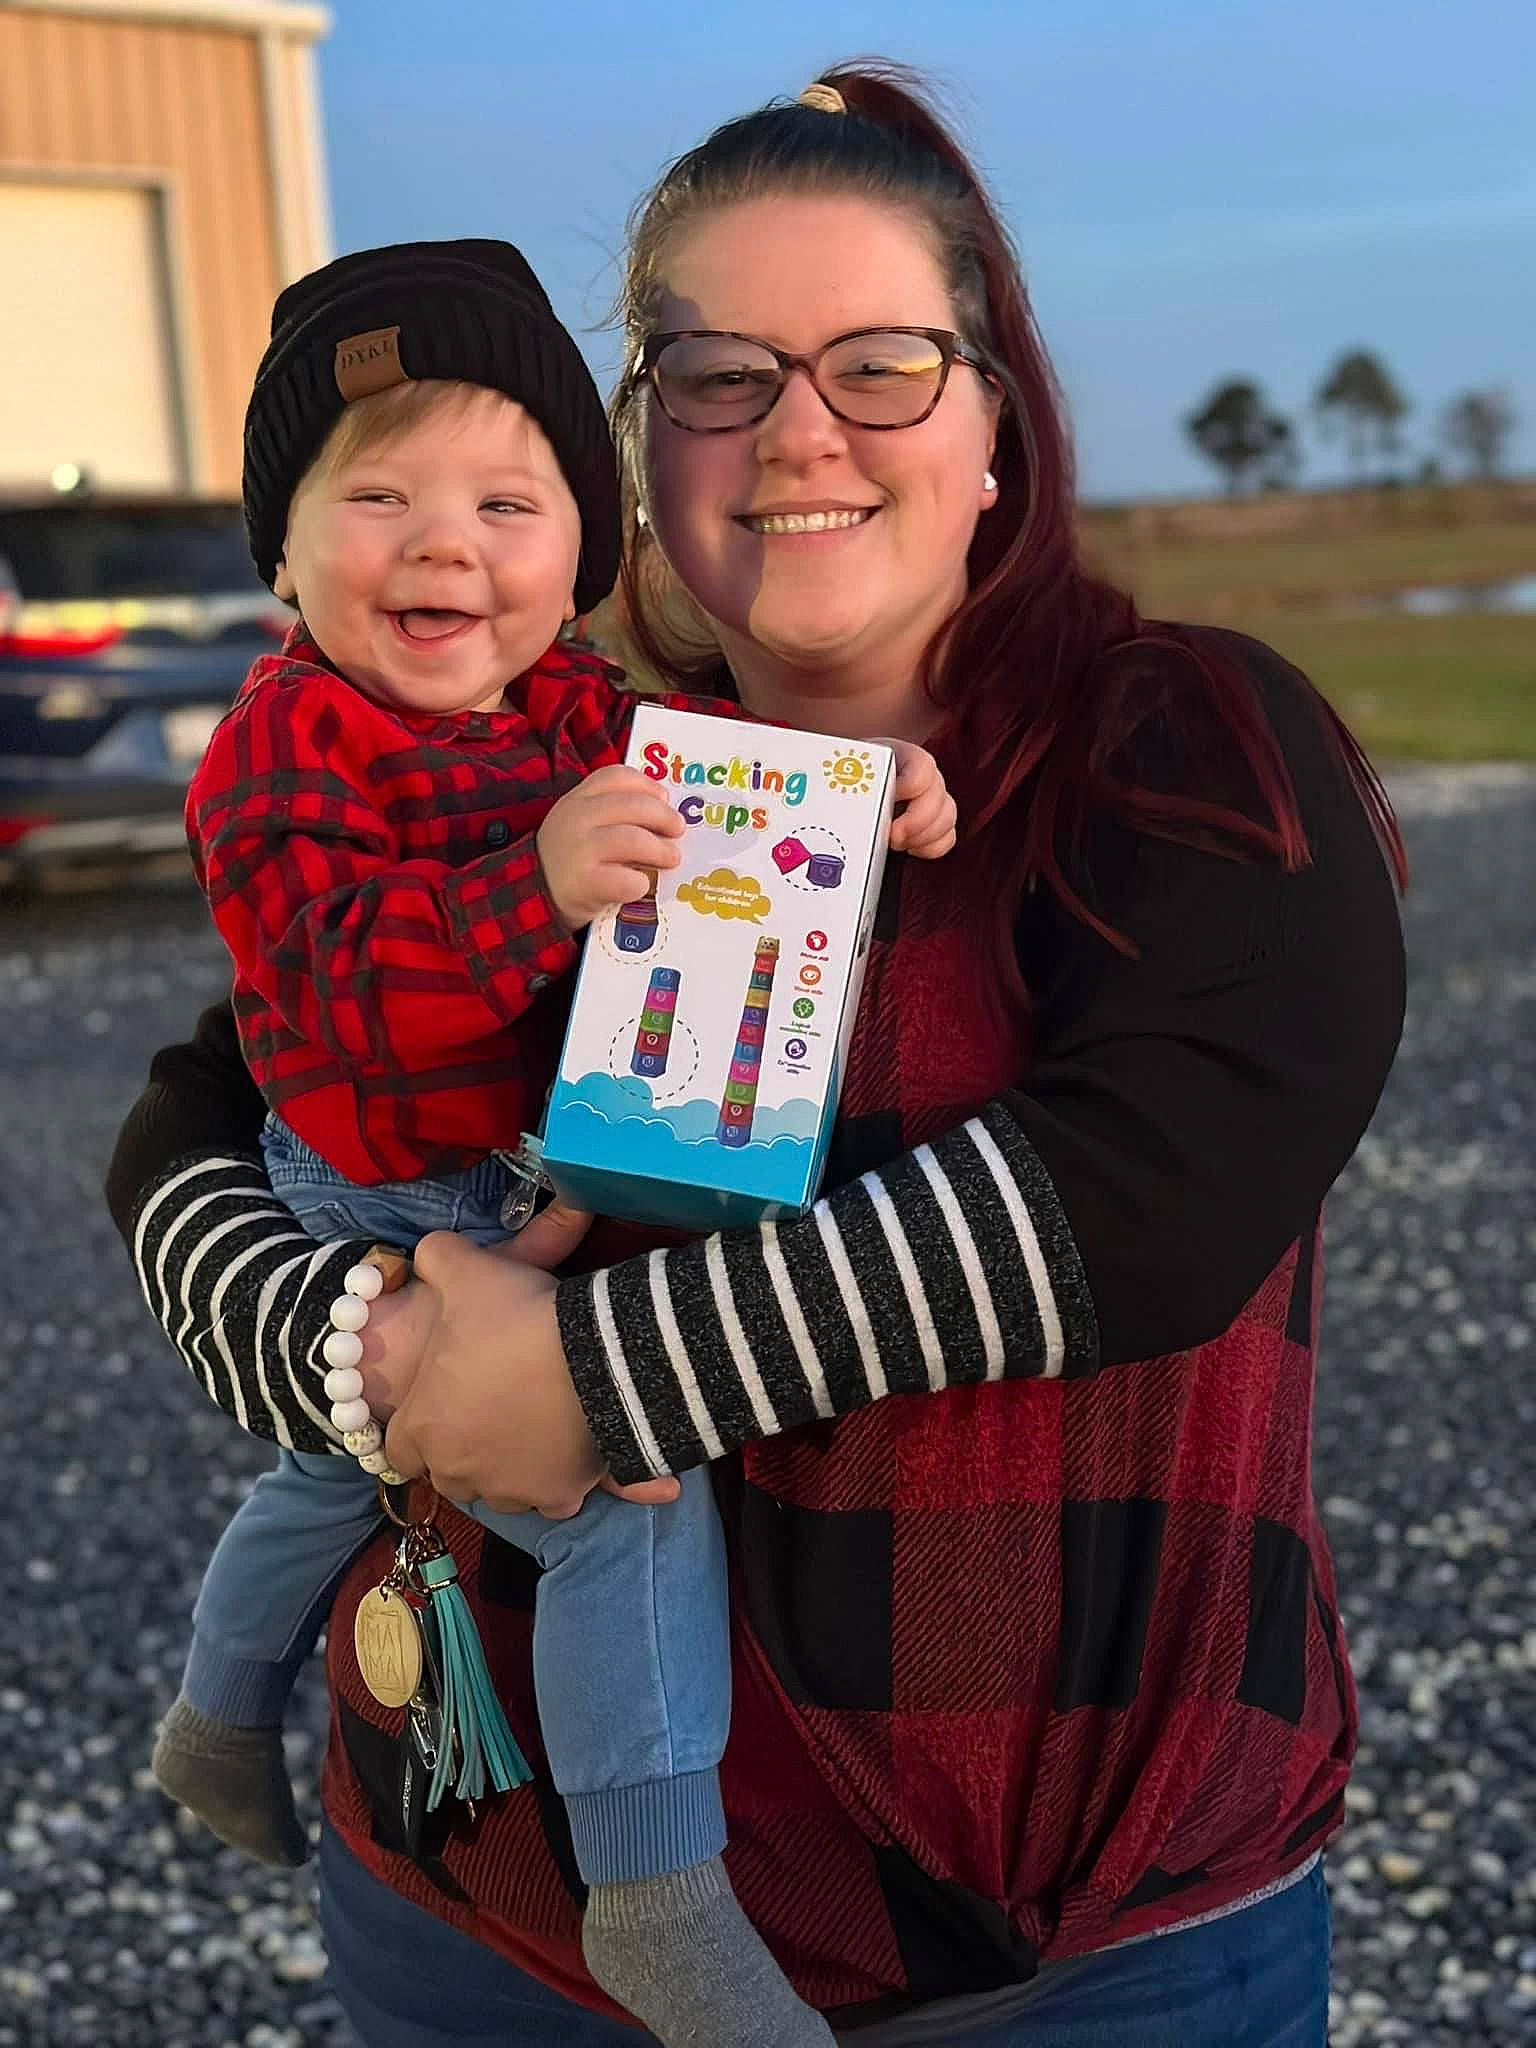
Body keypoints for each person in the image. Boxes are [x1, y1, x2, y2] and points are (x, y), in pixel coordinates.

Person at [108, 63, 1407, 2047]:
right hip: (479, 1911)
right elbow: (216, 1110)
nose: (798, 430)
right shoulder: (564, 773)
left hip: (1061, 1961)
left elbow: (1168, 1177)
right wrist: (369, 1362)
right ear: (652, 447)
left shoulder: (1184, 741)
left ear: (997, 426)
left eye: (882, 362)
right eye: (716, 373)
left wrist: (588, 1383)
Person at [150, 237, 952, 2048]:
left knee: (343, 1473)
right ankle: (656, 1899)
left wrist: (862, 789)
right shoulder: (285, 749)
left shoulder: (576, 708)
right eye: (378, 498)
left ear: (581, 557)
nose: (447, 544)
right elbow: (335, 987)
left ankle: (210, 1718)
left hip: (533, 1160)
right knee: (608, 1488)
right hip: (378, 1171)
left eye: (510, 503)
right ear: (281, 553)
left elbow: (735, 777)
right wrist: (529, 888)